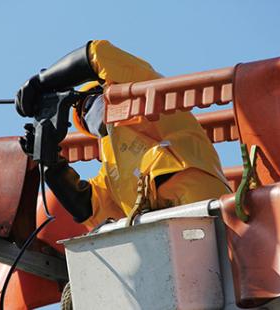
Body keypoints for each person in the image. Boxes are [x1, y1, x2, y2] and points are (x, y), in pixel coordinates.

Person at [15, 40, 230, 228]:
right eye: (82, 116)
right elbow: (87, 208)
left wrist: (42, 82)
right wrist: (49, 162)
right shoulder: (113, 171)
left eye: (89, 101)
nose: (87, 112)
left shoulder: (145, 97)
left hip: (201, 198)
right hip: (166, 232)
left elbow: (98, 54)